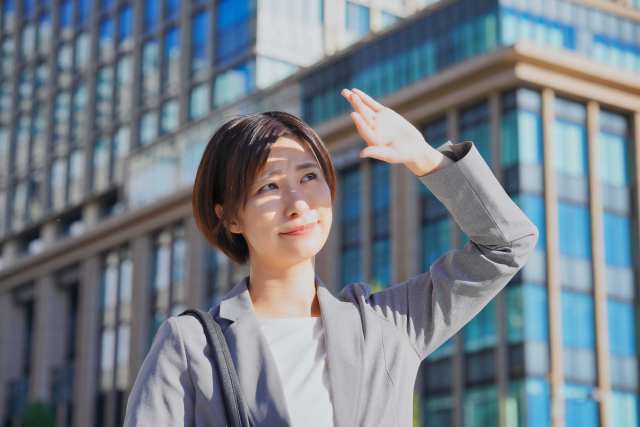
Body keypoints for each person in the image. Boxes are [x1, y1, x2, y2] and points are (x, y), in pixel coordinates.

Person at [123, 88, 539, 427]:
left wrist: (426, 158)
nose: (298, 203)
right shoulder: (190, 345)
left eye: (309, 177)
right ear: (230, 216)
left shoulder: (386, 327)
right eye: (268, 187)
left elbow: (506, 246)